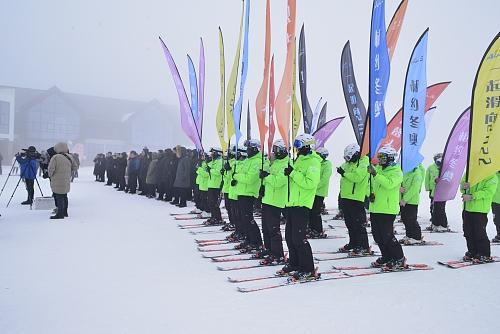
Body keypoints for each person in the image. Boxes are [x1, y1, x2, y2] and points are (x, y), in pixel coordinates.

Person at [277, 133, 321, 281]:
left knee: (299, 238)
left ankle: (308, 268)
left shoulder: (314, 162)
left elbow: (310, 183)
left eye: (298, 146)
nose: (296, 149)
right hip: (291, 203)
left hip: (302, 204)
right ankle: (294, 263)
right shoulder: (299, 160)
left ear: (307, 146)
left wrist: (293, 173)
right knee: (289, 236)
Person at [368, 146, 406, 270]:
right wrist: (371, 195)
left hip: (387, 209)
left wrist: (375, 174)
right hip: (376, 208)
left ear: (390, 158)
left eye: (382, 157)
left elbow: (389, 184)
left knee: (387, 235)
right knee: (377, 236)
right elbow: (375, 186)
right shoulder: (378, 169)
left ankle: (399, 258)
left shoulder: (396, 171)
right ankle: (387, 256)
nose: (380, 160)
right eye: (379, 157)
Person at [232, 139, 268, 253]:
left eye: (249, 149)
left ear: (254, 149)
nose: (247, 151)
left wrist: (237, 176)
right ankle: (249, 239)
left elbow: (250, 179)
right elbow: (243, 174)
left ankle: (256, 242)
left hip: (249, 193)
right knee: (244, 218)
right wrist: (238, 176)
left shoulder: (258, 161)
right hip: (242, 191)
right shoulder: (248, 160)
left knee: (248, 218)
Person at [337, 143, 370, 254]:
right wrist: (342, 170)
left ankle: (363, 245)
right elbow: (343, 167)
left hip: (356, 197)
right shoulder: (350, 163)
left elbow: (357, 177)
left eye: (349, 157)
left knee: (358, 223)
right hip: (346, 196)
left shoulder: (364, 162)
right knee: (349, 223)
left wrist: (344, 173)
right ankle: (354, 242)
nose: (347, 160)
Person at [259, 139, 289, 265]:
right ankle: (269, 249)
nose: (274, 153)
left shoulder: (287, 164)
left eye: (276, 150)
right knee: (265, 227)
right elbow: (268, 178)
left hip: (277, 200)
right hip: (268, 198)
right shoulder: (275, 163)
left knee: (273, 229)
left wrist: (267, 176)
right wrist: (263, 182)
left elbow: (278, 182)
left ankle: (278, 254)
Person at [460, 174, 498, 262]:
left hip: (480, 209)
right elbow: (462, 187)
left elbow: (488, 192)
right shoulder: (470, 172)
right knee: (467, 231)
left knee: (479, 232)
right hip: (467, 208)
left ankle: (484, 254)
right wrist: (463, 186)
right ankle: (472, 251)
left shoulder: (491, 176)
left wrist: (472, 196)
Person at [48, 142, 78, 219]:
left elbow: (51, 169)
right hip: (66, 180)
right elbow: (75, 167)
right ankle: (65, 212)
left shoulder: (55, 157)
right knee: (64, 196)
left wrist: (50, 175)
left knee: (59, 197)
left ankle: (60, 214)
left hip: (57, 180)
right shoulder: (70, 156)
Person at [308, 147, 332, 239]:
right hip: (313, 191)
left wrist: (313, 186)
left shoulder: (327, 165)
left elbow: (324, 180)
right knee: (310, 211)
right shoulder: (316, 163)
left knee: (315, 211)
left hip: (319, 192)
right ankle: (311, 228)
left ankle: (318, 230)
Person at [399, 164, 425, 245]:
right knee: (405, 218)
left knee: (411, 219)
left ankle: (417, 237)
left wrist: (405, 199)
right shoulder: (405, 172)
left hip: (412, 201)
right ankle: (409, 235)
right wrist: (399, 188)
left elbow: (414, 188)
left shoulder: (417, 173)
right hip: (403, 200)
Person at [425, 153, 449, 231]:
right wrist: (429, 188)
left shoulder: (446, 168)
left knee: (441, 208)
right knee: (433, 208)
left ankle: (443, 224)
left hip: (442, 191)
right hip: (433, 191)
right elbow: (427, 178)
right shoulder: (431, 168)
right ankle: (435, 223)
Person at [206, 148, 224, 225]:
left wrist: (210, 170)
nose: (211, 154)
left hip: (216, 185)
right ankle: (214, 216)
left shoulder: (220, 162)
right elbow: (206, 169)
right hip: (211, 184)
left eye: (213, 153)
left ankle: (218, 218)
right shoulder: (214, 162)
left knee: (215, 203)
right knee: (210, 203)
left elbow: (218, 172)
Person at [492, 171, 500, 243]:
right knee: (497, 220)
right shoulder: (493, 173)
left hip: (495, 200)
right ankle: (499, 235)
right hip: (495, 201)